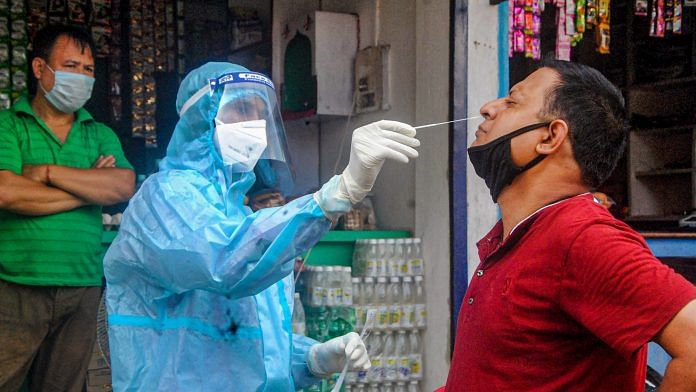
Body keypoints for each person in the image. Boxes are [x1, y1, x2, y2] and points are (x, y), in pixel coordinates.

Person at [103, 62, 420, 391]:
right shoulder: (163, 199)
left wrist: (310, 358)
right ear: (202, 117)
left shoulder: (239, 215)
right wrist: (332, 197)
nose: (253, 125)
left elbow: (246, 338)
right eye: (240, 109)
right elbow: (224, 261)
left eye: (260, 114)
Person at [442, 59, 696, 391]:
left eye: (513, 101)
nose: (489, 109)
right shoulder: (517, 237)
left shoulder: (584, 239)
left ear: (551, 136)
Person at [0, 24, 135, 391]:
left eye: (88, 70)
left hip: (82, 287)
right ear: (39, 68)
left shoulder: (100, 134)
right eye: (70, 66)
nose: (81, 77)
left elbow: (122, 184)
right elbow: (6, 191)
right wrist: (87, 188)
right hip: (14, 287)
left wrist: (46, 173)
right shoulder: (9, 125)